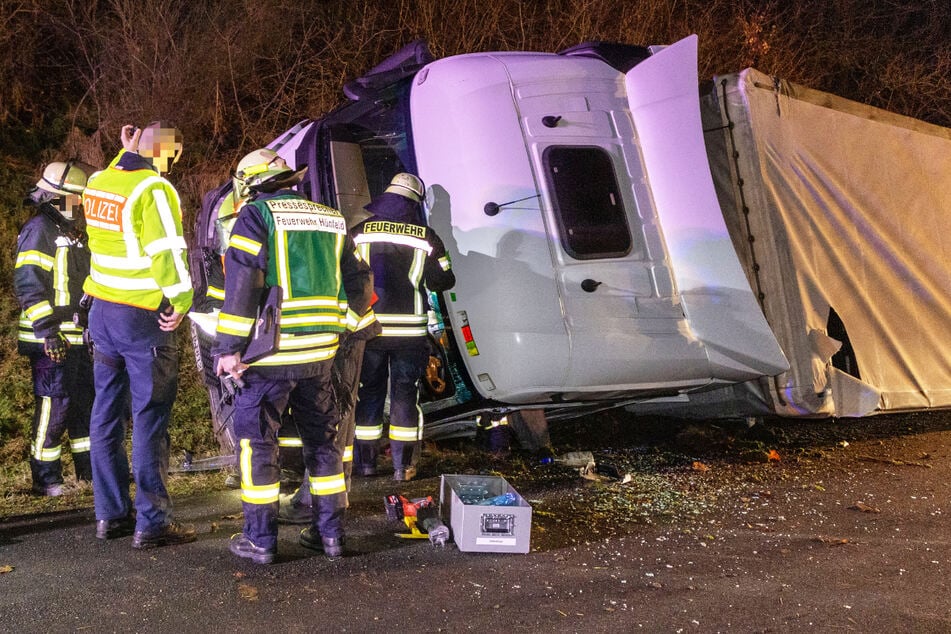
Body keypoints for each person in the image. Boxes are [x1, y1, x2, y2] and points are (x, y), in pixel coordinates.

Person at [213, 150, 373, 564]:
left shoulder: (255, 216)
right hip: (322, 355)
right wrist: (344, 325)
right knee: (324, 444)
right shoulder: (331, 217)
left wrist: (229, 349)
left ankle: (261, 541)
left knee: (258, 447)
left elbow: (243, 285)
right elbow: (360, 280)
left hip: (269, 356)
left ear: (249, 184)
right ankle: (331, 537)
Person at [83, 121, 196, 549]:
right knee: (149, 417)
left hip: (103, 315)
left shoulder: (100, 180)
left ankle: (110, 515)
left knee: (106, 414)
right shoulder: (155, 189)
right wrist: (182, 299)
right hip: (143, 317)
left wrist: (126, 150)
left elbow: (119, 178)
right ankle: (152, 523)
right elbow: (166, 250)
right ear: (169, 156)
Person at [351, 173, 455, 482]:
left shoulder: (359, 233)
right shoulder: (426, 236)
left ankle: (366, 464)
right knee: (404, 396)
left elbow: (344, 277)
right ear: (414, 202)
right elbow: (444, 280)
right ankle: (403, 467)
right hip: (410, 332)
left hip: (370, 329)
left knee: (368, 393)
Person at [14, 161, 93, 496]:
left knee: (83, 407)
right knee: (54, 405)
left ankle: (89, 474)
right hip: (48, 339)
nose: (81, 206)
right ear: (57, 198)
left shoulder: (73, 234)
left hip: (76, 338)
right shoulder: (39, 231)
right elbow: (28, 284)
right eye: (76, 200)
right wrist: (48, 332)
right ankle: (46, 479)